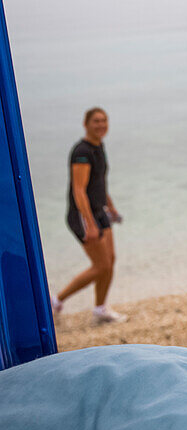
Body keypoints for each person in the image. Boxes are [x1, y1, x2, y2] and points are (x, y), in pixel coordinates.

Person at [52, 107, 128, 324]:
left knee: (110, 260)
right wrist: (89, 223)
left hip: (99, 211)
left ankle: (100, 308)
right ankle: (56, 301)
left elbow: (98, 183)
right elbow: (79, 189)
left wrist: (110, 207)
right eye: (96, 121)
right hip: (83, 216)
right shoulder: (82, 152)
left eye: (104, 120)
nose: (101, 125)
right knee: (101, 265)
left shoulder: (98, 146)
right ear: (85, 124)